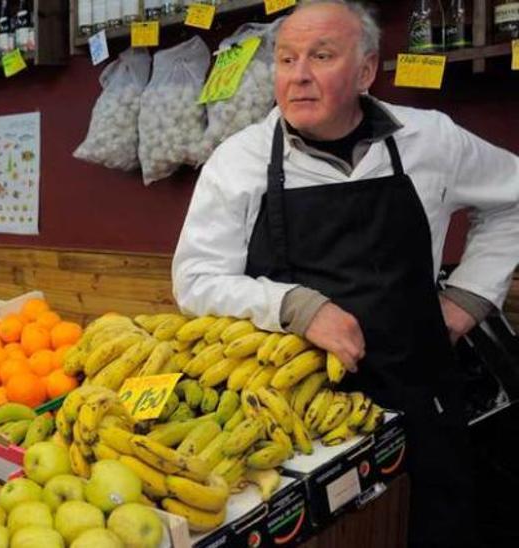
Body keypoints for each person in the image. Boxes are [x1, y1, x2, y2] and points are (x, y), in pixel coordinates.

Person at [172, 0, 519, 544]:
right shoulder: (238, 161)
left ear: (364, 71)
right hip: (295, 417)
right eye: (286, 60)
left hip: (420, 397)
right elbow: (195, 279)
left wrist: (471, 296)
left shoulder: (430, 140)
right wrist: (296, 306)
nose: (299, 76)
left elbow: (514, 197)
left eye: (321, 55)